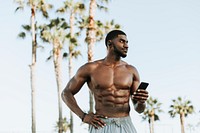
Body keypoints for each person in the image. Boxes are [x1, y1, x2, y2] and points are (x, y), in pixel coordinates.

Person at [61, 30, 149, 133]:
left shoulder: (131, 71)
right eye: (122, 41)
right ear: (110, 43)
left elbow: (139, 109)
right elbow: (66, 93)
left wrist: (141, 102)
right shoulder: (91, 68)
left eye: (127, 42)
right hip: (101, 124)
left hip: (125, 125)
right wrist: (83, 116)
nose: (126, 45)